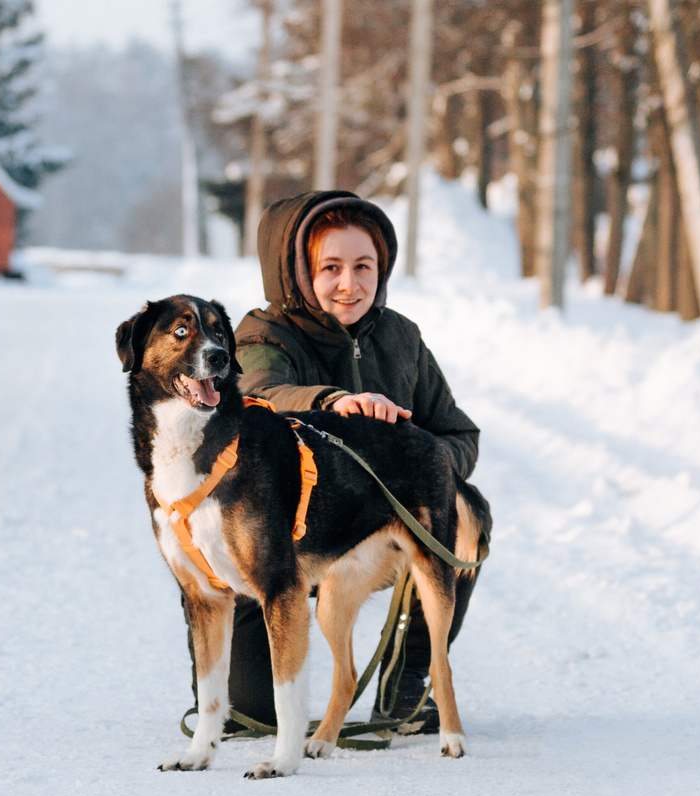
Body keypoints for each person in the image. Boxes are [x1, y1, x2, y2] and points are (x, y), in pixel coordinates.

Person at [197, 189, 488, 735]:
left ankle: (407, 688)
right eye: (330, 267)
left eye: (364, 266)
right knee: (251, 715)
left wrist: (412, 469)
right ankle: (232, 681)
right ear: (297, 273)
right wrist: (333, 403)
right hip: (275, 551)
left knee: (467, 513)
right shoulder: (260, 336)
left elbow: (458, 433)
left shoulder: (400, 337)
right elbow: (261, 397)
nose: (349, 284)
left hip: (364, 537)